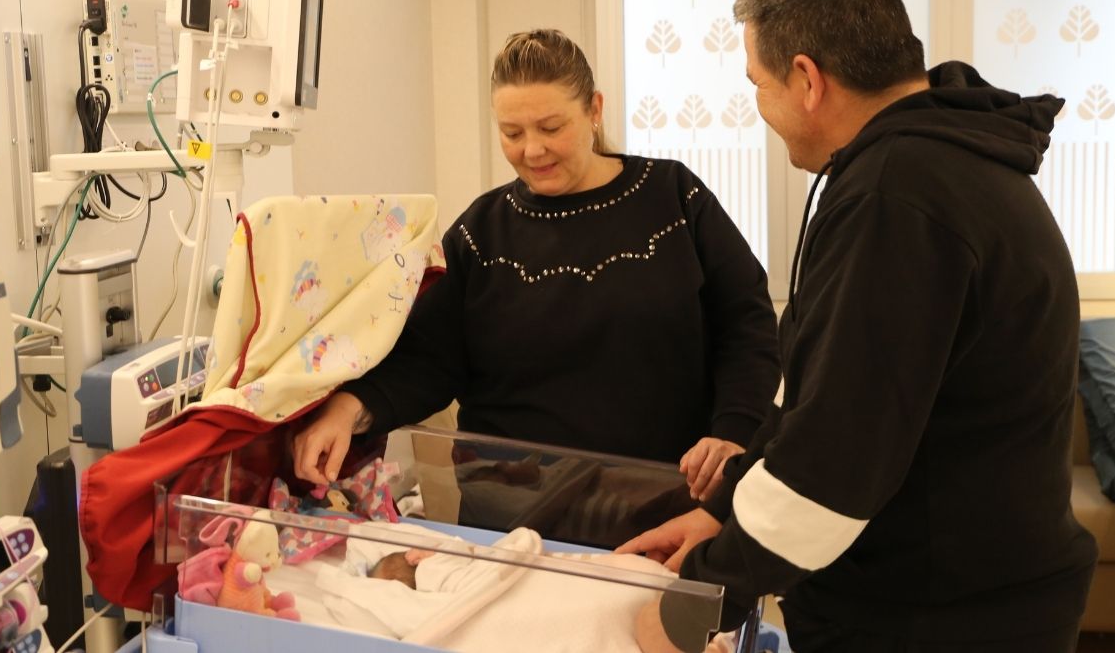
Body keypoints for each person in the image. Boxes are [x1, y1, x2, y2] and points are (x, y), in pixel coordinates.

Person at [621, 0, 1098, 653]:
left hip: (940, 619)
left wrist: (695, 606)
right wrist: (721, 512)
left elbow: (833, 464)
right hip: (972, 595)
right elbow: (817, 399)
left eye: (758, 84)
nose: (761, 106)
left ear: (807, 79)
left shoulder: (897, 197)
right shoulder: (945, 163)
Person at [292, 29, 781, 506]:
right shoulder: (479, 233)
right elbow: (429, 359)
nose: (532, 150)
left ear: (594, 110)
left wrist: (735, 434)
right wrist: (349, 409)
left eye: (551, 128)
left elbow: (746, 323)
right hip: (515, 503)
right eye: (512, 133)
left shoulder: (675, 199)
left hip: (670, 496)